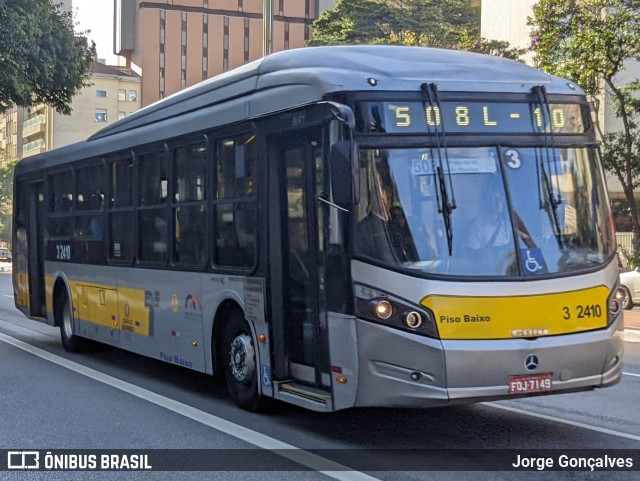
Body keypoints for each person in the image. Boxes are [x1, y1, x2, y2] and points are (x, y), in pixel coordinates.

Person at [355, 175, 399, 263]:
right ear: (373, 200)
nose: (386, 202)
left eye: (389, 199)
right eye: (382, 199)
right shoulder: (363, 228)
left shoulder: (395, 224)